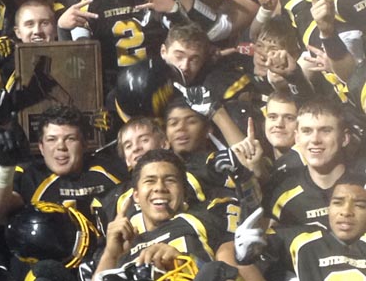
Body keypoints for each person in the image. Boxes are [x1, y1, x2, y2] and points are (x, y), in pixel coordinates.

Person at [93, 149, 228, 277]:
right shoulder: (124, 242)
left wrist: (184, 264)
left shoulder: (206, 218)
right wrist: (111, 254)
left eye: (170, 180)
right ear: (136, 196)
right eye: (150, 181)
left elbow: (233, 272)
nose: (159, 188)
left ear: (185, 193)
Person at [0, 104, 125, 225]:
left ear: (85, 144)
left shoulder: (108, 170)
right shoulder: (31, 176)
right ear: (41, 146)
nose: (61, 147)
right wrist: (3, 168)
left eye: (70, 139)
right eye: (52, 139)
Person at [236, 173, 366, 281]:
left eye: (359, 205)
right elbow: (255, 251)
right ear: (328, 207)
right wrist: (246, 258)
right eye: (338, 203)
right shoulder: (301, 239)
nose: (346, 212)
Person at [264, 97, 351, 229]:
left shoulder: (363, 186)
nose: (315, 139)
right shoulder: (280, 196)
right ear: (297, 138)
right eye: (307, 131)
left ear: (344, 138)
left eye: (325, 130)